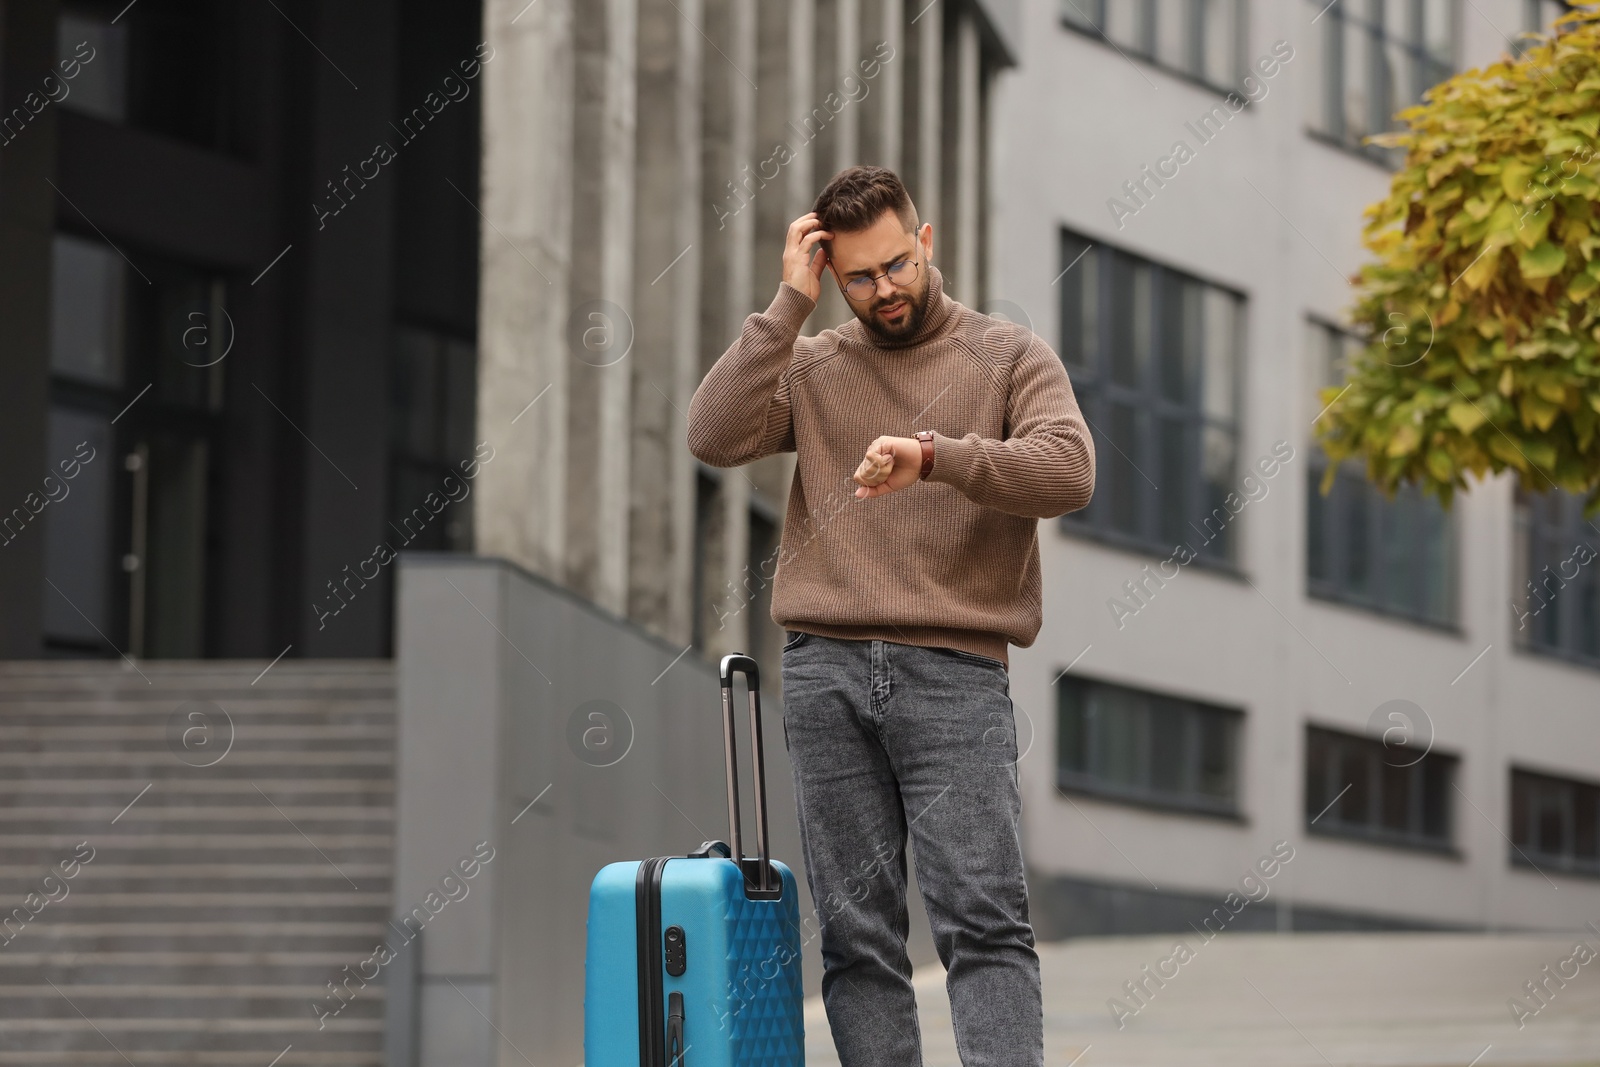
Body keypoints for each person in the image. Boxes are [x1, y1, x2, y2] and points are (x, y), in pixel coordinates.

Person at [685, 164, 1095, 1067]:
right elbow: (712, 434)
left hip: (954, 672)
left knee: (983, 923)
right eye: (861, 276)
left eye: (899, 264)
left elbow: (1069, 470)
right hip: (823, 671)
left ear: (926, 242)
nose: (887, 289)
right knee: (856, 940)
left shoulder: (1007, 356)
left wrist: (935, 455)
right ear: (834, 273)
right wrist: (787, 306)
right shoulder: (819, 365)